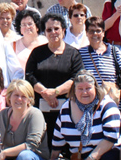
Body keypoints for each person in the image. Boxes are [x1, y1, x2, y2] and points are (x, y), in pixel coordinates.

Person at [50, 71, 121, 160]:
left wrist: (92, 158)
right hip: (80, 159)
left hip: (104, 154)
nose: (84, 93)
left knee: (109, 159)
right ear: (74, 90)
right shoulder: (66, 108)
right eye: (80, 89)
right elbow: (57, 140)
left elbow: (111, 138)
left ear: (95, 88)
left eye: (88, 88)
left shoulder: (107, 105)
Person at [25, 12, 84, 150]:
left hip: (67, 107)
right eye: (49, 29)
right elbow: (29, 76)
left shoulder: (73, 54)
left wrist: (55, 92)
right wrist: (45, 93)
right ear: (44, 32)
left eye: (56, 28)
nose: (53, 32)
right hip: (40, 105)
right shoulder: (37, 53)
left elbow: (76, 78)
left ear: (63, 29)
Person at [79, 17, 121, 116]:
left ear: (103, 33)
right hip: (88, 107)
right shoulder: (80, 53)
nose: (95, 34)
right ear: (86, 33)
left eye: (98, 31)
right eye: (91, 31)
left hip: (112, 105)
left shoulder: (114, 52)